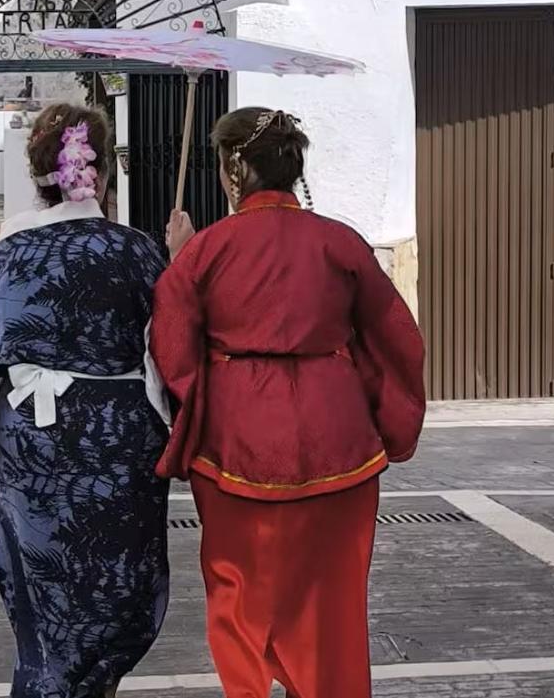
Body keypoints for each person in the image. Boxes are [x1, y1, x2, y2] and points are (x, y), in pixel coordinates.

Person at [152, 107, 426, 698]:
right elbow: (397, 339)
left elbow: (173, 350)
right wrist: (390, 422)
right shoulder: (341, 242)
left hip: (236, 437)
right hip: (337, 437)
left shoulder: (206, 251)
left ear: (234, 171)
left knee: (237, 593)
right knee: (333, 599)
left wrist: (179, 260)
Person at [0, 105, 170, 698]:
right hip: (120, 434)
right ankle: (98, 681)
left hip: (29, 434)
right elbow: (170, 351)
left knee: (41, 585)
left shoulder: (9, 257)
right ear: (104, 170)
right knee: (116, 580)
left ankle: (47, 681)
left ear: (38, 170)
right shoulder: (140, 252)